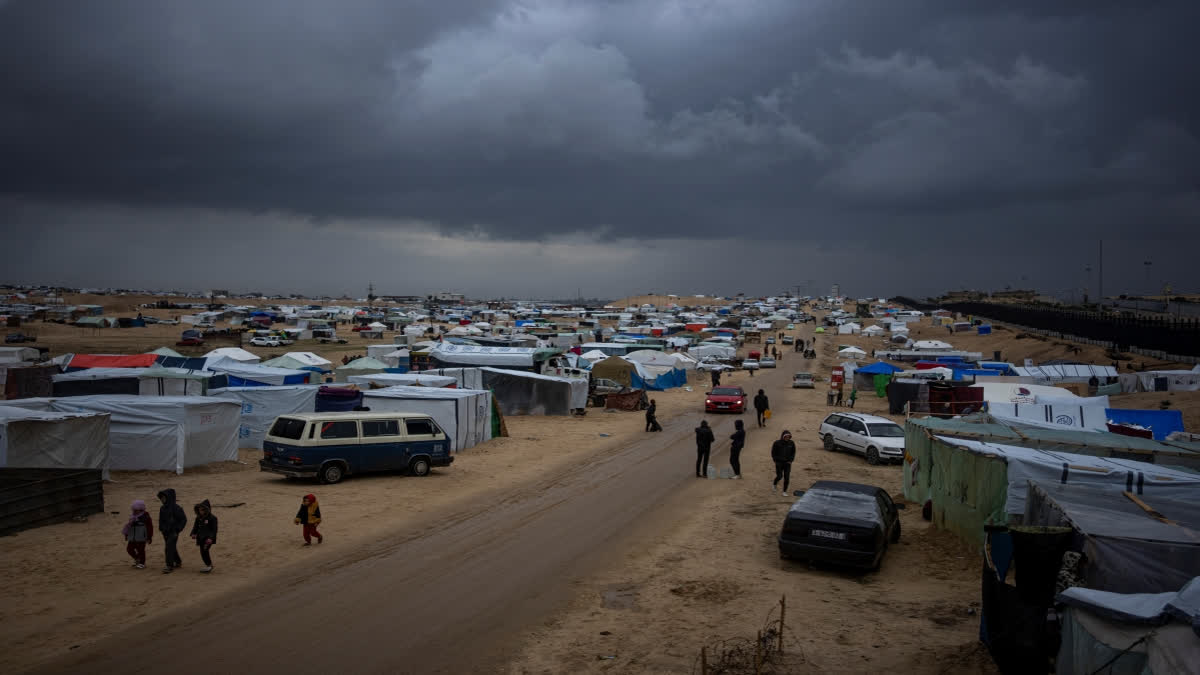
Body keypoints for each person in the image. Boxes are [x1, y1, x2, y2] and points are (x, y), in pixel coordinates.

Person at [157, 488, 187, 573]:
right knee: (171, 547)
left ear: (169, 497)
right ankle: (178, 561)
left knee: (168, 547)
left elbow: (183, 520)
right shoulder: (162, 508)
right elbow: (161, 519)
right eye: (161, 498)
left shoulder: (177, 508)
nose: (162, 500)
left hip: (174, 532)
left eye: (164, 498)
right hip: (165, 532)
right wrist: (161, 528)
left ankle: (169, 565)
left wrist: (178, 529)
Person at [122, 500, 154, 569]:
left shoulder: (146, 517)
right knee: (129, 549)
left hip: (141, 537)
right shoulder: (132, 517)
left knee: (141, 550)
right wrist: (126, 535)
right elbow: (128, 527)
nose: (134, 511)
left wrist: (149, 537)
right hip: (133, 537)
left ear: (141, 509)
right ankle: (137, 559)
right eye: (133, 510)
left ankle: (142, 563)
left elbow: (150, 528)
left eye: (136, 510)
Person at [190, 499, 218, 573]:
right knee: (202, 552)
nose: (201, 511)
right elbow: (195, 527)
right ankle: (208, 565)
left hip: (208, 539)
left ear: (206, 510)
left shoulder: (213, 518)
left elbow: (214, 530)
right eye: (199, 510)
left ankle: (209, 566)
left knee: (205, 550)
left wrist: (211, 538)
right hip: (201, 538)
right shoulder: (198, 518)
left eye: (202, 510)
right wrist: (193, 533)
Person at [771, 430, 796, 497]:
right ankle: (774, 483)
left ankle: (784, 491)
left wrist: (791, 460)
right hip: (779, 463)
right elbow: (773, 453)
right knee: (779, 476)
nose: (787, 438)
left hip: (787, 464)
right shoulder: (776, 443)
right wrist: (776, 461)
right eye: (786, 436)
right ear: (783, 436)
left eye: (788, 437)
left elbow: (793, 453)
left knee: (787, 478)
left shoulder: (791, 443)